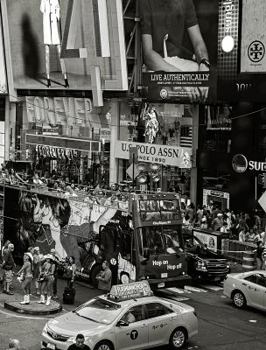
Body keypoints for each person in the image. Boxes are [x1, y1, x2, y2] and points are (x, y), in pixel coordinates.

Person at [139, 0, 210, 102]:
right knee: (161, 88)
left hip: (178, 64)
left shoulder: (186, 2)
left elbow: (198, 42)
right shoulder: (146, 2)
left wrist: (204, 69)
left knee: (207, 81)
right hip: (157, 64)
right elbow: (148, 55)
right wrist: (179, 78)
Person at [40, 0, 69, 88]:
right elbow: (41, 9)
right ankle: (48, 79)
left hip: (54, 26)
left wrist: (56, 17)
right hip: (47, 27)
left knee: (60, 54)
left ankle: (65, 79)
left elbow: (58, 9)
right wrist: (47, 11)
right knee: (47, 55)